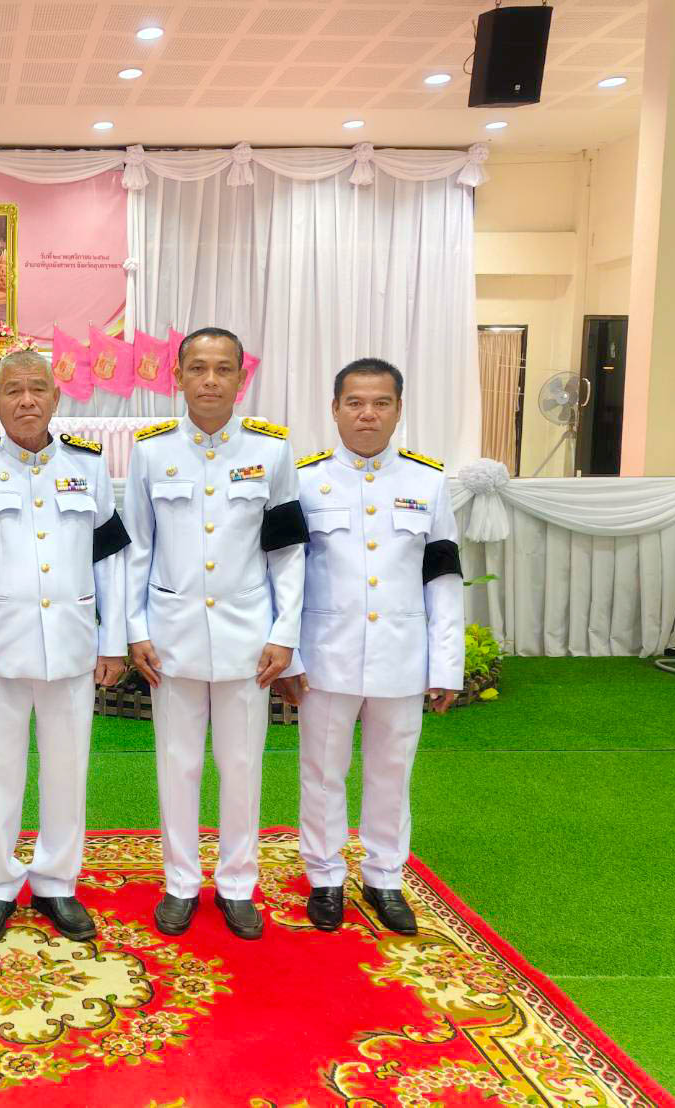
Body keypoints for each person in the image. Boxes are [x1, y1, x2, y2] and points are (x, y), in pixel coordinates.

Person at [124, 327, 308, 940]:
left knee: (241, 766)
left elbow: (287, 551)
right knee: (176, 766)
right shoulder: (151, 451)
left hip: (248, 638)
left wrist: (285, 632)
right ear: (177, 376)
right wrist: (134, 628)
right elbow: (138, 547)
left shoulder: (272, 451)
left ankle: (237, 885)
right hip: (170, 637)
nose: (210, 380)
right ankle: (180, 883)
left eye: (223, 368)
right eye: (197, 368)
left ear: (241, 378)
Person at [0, 350, 130, 946]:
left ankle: (55, 882)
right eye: (13, 390)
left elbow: (110, 557)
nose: (26, 400)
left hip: (71, 647)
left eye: (37, 389)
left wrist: (113, 639)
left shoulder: (88, 464)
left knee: (67, 769)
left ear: (56, 397)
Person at [275, 357, 463, 936]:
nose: (367, 414)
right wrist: (289, 654)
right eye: (355, 402)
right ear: (334, 409)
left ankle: (385, 877)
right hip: (325, 656)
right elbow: (285, 574)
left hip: (401, 656)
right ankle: (325, 877)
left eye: (381, 403)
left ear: (399, 410)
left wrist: (446, 665)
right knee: (321, 772)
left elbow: (443, 576)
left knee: (391, 772)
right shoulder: (304, 481)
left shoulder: (427, 482)